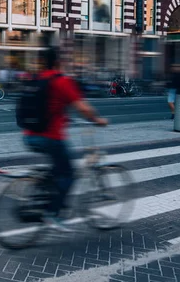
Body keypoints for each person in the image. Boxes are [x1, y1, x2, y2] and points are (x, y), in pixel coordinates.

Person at [23, 47, 108, 231]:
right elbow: (83, 108)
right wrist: (98, 120)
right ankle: (52, 214)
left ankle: (43, 193)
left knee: (56, 169)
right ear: (58, 62)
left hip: (29, 136)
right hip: (50, 137)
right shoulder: (61, 81)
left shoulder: (36, 79)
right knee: (68, 173)